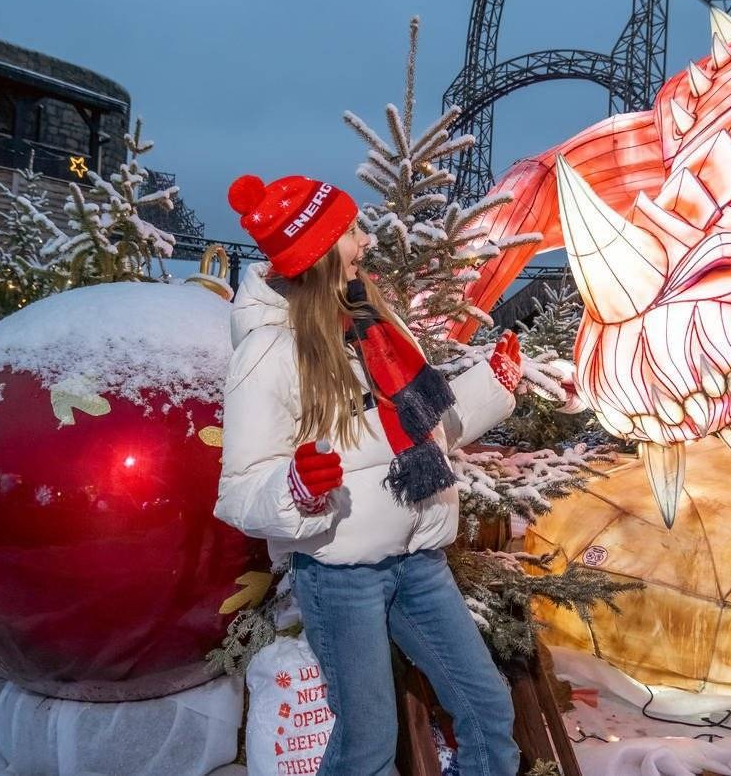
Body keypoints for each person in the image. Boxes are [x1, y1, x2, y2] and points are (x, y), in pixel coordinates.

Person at [215, 173, 523, 776]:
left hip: (420, 558)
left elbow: (424, 433)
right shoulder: (269, 354)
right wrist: (296, 491)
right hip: (340, 574)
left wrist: (492, 388)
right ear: (319, 248)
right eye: (352, 231)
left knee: (487, 707)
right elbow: (238, 489)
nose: (366, 242)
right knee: (367, 742)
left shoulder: (375, 324)